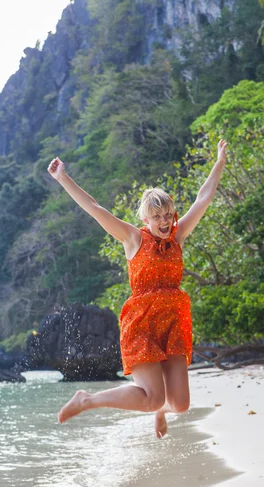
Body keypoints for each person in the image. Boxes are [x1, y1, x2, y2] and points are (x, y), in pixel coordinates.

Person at [47, 139, 227, 437]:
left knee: (180, 404)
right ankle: (87, 400)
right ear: (146, 219)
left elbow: (203, 199)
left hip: (173, 322)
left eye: (168, 214)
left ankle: (161, 411)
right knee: (152, 395)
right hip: (142, 323)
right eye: (157, 217)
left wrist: (219, 162)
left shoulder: (177, 237)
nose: (165, 221)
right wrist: (63, 178)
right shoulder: (133, 238)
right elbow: (95, 208)